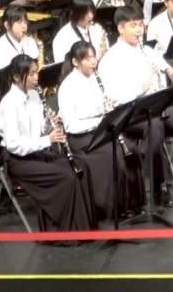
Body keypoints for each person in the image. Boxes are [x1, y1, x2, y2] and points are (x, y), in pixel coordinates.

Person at [97, 4, 173, 207]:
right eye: (133, 26)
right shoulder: (110, 59)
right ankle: (160, 186)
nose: (139, 30)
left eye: (140, 25)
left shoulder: (147, 50)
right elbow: (113, 97)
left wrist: (170, 72)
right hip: (131, 112)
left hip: (156, 106)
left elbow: (165, 67)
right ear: (120, 28)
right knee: (155, 126)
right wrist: (140, 88)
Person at [0, 54, 95, 230]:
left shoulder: (34, 95)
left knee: (80, 165)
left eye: (37, 72)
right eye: (31, 74)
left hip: (37, 152)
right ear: (17, 77)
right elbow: (14, 145)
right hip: (18, 160)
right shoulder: (9, 104)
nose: (36, 77)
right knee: (65, 177)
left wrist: (50, 123)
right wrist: (47, 139)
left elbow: (39, 128)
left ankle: (84, 225)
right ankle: (62, 230)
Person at [56, 40, 143, 220]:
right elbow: (71, 125)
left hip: (99, 131)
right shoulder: (67, 87)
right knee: (115, 156)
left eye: (94, 57)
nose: (93, 61)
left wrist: (108, 108)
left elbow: (100, 107)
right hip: (81, 137)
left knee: (131, 150)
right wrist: (99, 121)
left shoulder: (95, 79)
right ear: (75, 62)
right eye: (88, 59)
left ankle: (134, 202)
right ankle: (118, 207)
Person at [0, 5, 40, 75]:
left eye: (25, 22)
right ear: (7, 25)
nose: (24, 26)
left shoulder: (30, 42)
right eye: (19, 22)